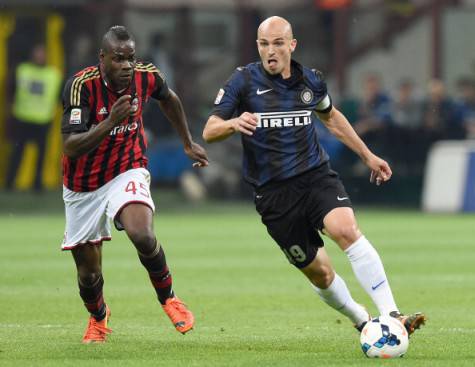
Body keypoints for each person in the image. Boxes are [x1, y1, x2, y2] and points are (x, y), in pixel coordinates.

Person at [203, 16, 425, 336]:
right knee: (320, 274)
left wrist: (368, 156)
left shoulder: (310, 81)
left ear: (292, 45)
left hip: (314, 175)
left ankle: (391, 314)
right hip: (273, 195)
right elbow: (209, 131)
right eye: (264, 44)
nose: (271, 51)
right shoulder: (242, 81)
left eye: (278, 43)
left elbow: (331, 117)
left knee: (345, 229)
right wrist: (233, 124)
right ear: (258, 47)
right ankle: (360, 318)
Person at [61, 26, 208, 344]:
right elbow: (71, 146)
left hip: (127, 168)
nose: (127, 66)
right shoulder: (81, 86)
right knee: (88, 273)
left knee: (142, 232)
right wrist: (110, 122)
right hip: (83, 184)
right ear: (103, 59)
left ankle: (169, 298)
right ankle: (98, 318)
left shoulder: (147, 76)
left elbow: (169, 99)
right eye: (119, 59)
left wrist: (187, 142)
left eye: (131, 58)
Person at [6, 43, 62, 191]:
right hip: (22, 118)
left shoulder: (53, 74)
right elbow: (11, 90)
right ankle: (9, 183)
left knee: (41, 156)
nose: (40, 56)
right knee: (17, 153)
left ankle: (37, 184)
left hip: (43, 120)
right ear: (32, 54)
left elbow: (59, 96)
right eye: (37, 53)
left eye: (42, 53)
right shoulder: (22, 70)